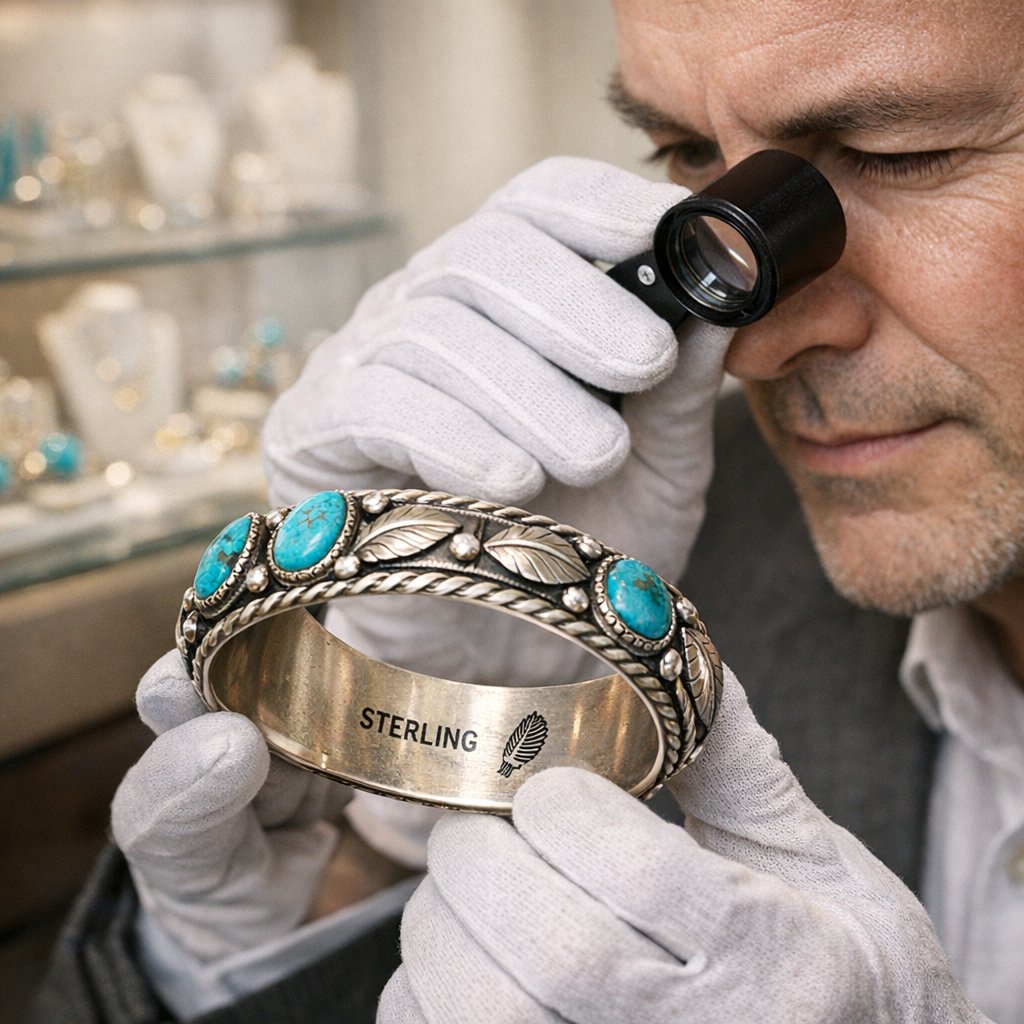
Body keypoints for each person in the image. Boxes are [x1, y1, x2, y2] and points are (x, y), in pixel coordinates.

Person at [35, 0, 1024, 1020]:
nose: (759, 345)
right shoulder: (663, 555)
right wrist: (349, 886)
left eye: (900, 151)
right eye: (686, 150)